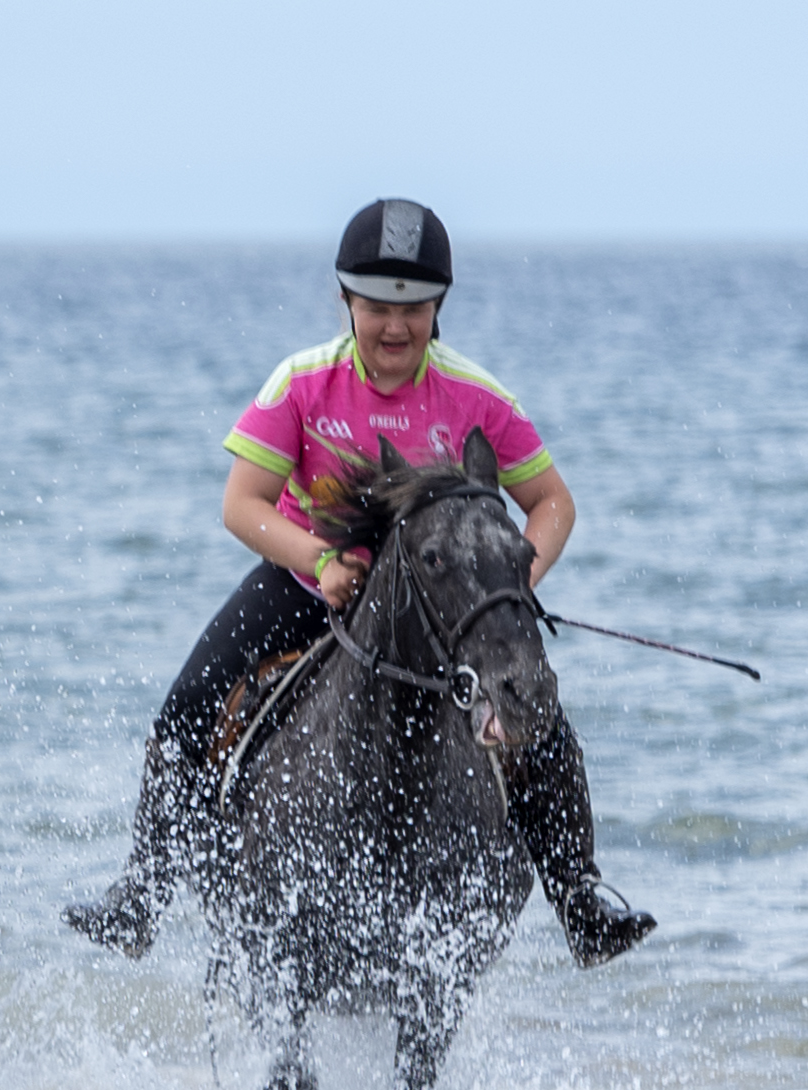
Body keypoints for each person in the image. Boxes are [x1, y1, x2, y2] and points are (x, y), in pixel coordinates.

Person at [63, 198, 654, 966]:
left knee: (538, 713)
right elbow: (240, 505)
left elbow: (552, 504)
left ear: (438, 307)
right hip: (309, 586)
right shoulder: (301, 383)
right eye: (376, 308)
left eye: (413, 310)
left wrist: (504, 588)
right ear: (345, 300)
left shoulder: (478, 397)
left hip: (437, 612)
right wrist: (319, 560)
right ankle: (142, 891)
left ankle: (578, 898)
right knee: (189, 702)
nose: (394, 327)